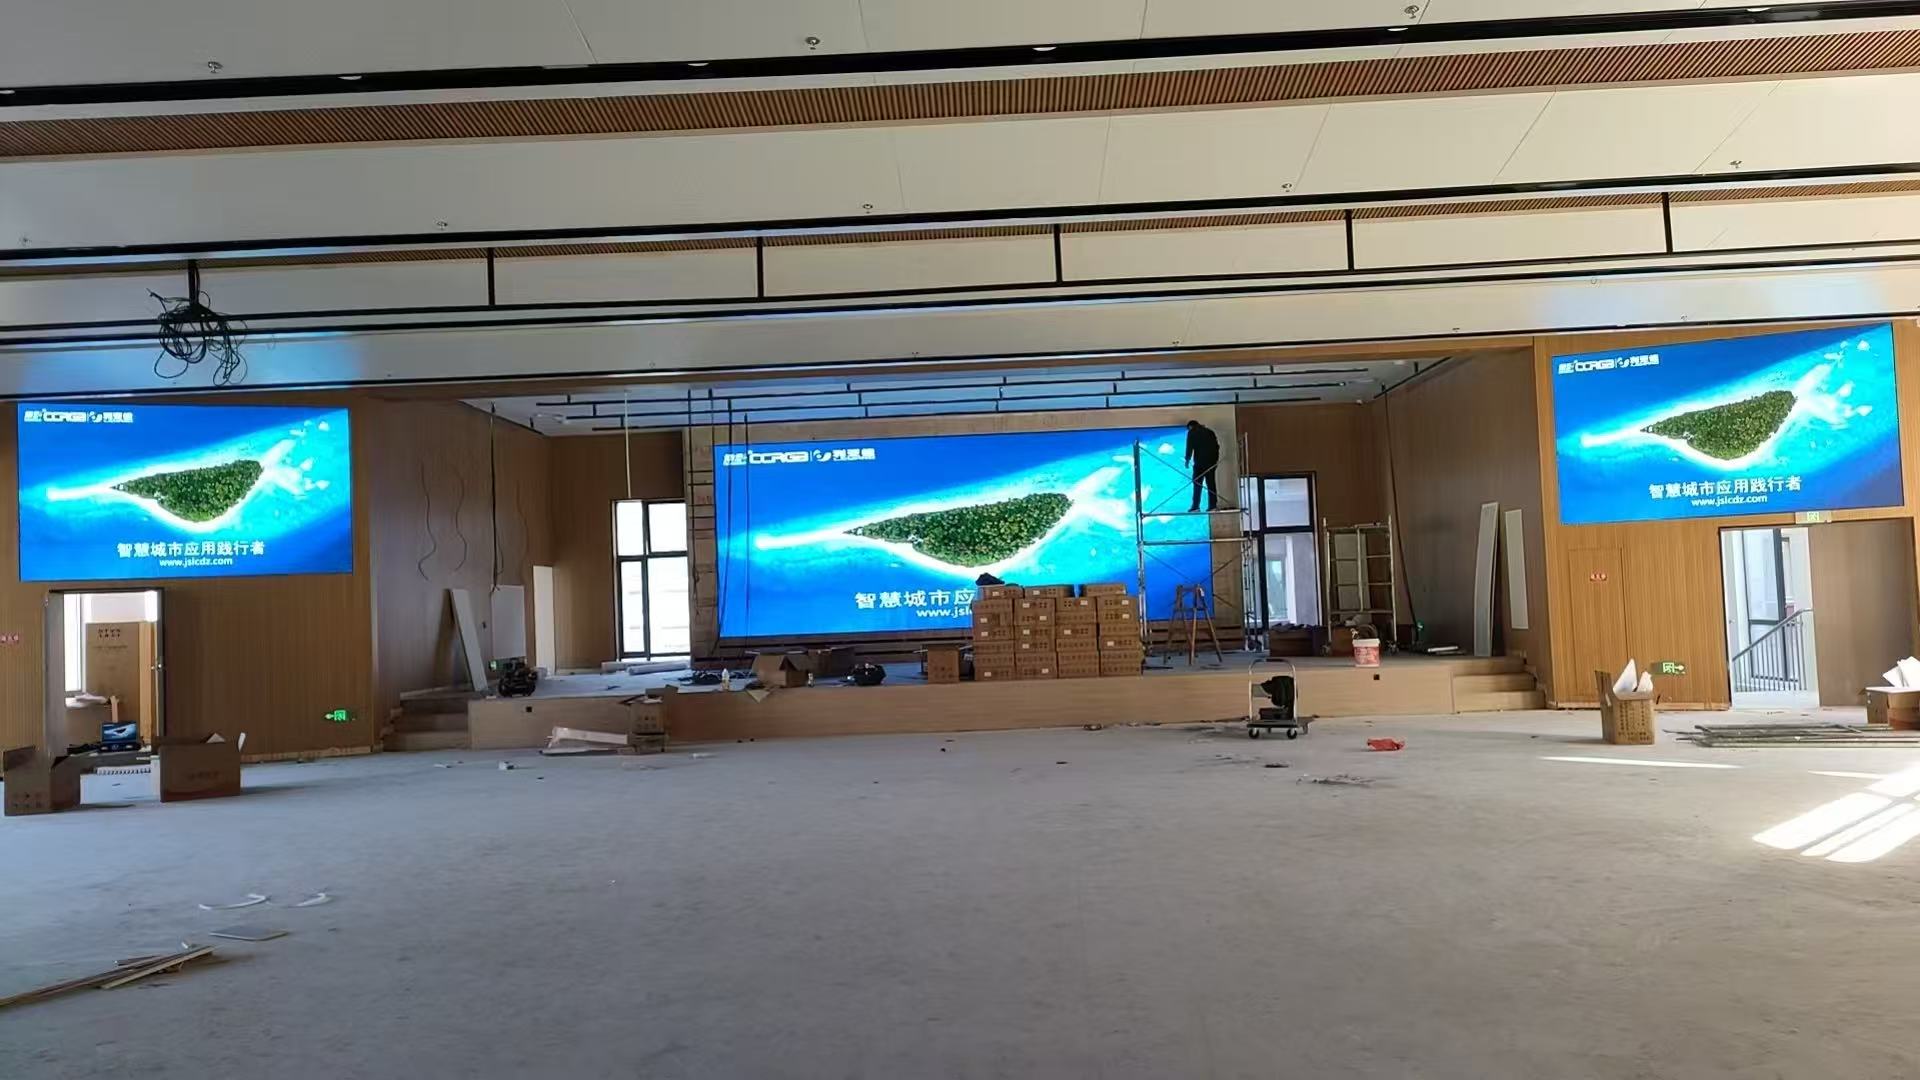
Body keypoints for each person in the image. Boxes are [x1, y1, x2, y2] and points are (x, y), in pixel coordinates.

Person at [1184, 419, 1220, 512]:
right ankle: (1213, 506)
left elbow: (1189, 447)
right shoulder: (1210, 432)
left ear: (1190, 427)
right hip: (1211, 463)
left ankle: (1195, 506)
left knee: (1197, 484)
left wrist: (1187, 460)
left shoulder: (1192, 432)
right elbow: (1216, 447)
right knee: (1211, 484)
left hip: (1199, 463)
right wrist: (1215, 461)